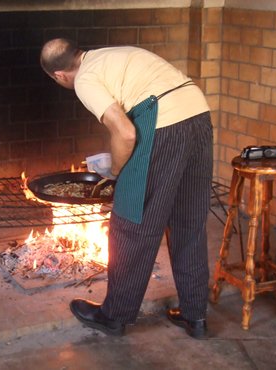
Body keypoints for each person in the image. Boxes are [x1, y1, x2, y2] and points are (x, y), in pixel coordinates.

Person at [40, 38, 213, 338]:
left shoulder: (84, 79)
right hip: (198, 115)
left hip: (166, 126)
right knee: (189, 222)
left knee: (131, 221)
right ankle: (194, 314)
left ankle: (114, 316)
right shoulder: (109, 54)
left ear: (59, 76)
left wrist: (118, 171)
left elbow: (125, 130)